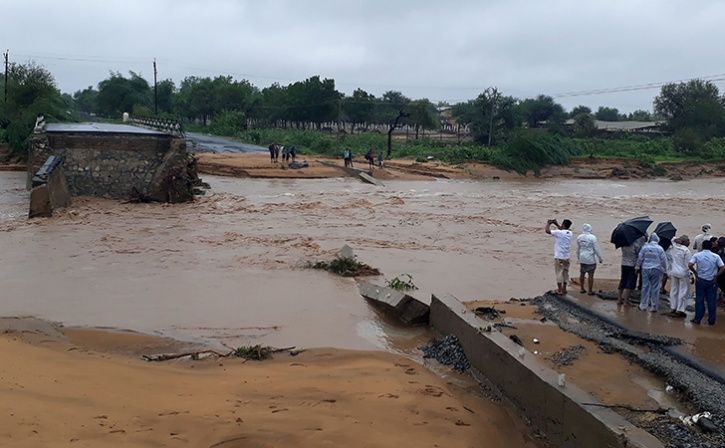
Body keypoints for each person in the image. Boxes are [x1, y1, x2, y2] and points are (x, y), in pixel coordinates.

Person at [688, 239, 725, 325]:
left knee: (699, 300)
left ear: (702, 246)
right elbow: (723, 267)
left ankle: (697, 319)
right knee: (711, 301)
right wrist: (716, 275)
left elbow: (690, 265)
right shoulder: (716, 256)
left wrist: (695, 273)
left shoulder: (697, 255)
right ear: (711, 246)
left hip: (700, 279)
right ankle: (711, 320)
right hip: (712, 280)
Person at [636, 233, 668, 312]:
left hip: (645, 268)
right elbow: (663, 260)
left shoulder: (645, 247)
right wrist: (665, 269)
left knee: (645, 286)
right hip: (656, 269)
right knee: (655, 287)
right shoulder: (660, 248)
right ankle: (654, 306)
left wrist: (637, 267)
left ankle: (643, 305)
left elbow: (640, 258)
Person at [545, 219, 573, 296]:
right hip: (567, 257)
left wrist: (548, 224)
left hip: (559, 256)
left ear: (563, 224)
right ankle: (564, 289)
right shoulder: (570, 233)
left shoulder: (559, 233)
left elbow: (547, 231)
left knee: (559, 273)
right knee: (565, 273)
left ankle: (559, 290)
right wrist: (556, 224)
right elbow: (562, 229)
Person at [667, 235, 691, 318]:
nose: (689, 242)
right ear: (685, 242)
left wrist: (677, 240)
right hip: (683, 273)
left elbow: (672, 239)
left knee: (674, 290)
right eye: (688, 240)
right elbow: (688, 264)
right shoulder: (686, 250)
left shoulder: (674, 247)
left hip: (674, 271)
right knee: (683, 291)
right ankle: (680, 309)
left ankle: (673, 307)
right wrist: (691, 275)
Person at [576, 224, 603, 295]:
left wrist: (578, 257)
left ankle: (582, 288)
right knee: (591, 275)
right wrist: (600, 258)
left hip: (582, 258)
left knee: (582, 273)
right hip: (590, 259)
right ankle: (590, 291)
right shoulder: (593, 238)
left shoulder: (579, 237)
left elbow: (578, 249)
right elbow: (596, 249)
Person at [618, 235, 645, 306]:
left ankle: (619, 299)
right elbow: (639, 255)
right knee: (630, 283)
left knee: (623, 281)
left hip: (623, 263)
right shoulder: (635, 244)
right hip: (632, 265)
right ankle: (626, 301)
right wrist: (638, 267)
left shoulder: (623, 243)